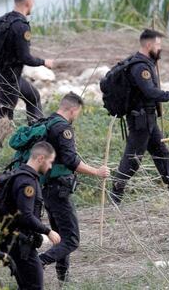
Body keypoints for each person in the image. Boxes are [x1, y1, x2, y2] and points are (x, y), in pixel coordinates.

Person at [111, 29, 169, 204]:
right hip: (140, 120)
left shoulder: (147, 62)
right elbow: (150, 92)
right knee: (133, 158)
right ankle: (115, 194)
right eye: (158, 45)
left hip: (148, 118)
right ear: (149, 45)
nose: (160, 48)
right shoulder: (140, 67)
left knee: (161, 152)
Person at [38, 92, 110, 283]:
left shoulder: (47, 123)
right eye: (77, 112)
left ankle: (64, 280)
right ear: (73, 109)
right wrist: (97, 172)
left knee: (61, 237)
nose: (76, 116)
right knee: (71, 239)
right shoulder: (63, 129)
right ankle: (39, 262)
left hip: (46, 188)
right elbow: (71, 160)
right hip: (59, 190)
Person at [0, 0, 54, 158]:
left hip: (1, 74)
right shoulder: (21, 26)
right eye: (33, 0)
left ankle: (36, 135)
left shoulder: (2, 20)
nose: (34, 4)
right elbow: (25, 57)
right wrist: (44, 62)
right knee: (4, 117)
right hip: (9, 78)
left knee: (33, 96)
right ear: (28, 1)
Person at [0, 141, 61, 290]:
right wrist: (48, 231)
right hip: (19, 244)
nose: (50, 167)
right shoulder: (26, 181)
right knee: (34, 286)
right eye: (50, 162)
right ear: (40, 158)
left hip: (16, 242)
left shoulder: (23, 175)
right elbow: (25, 215)